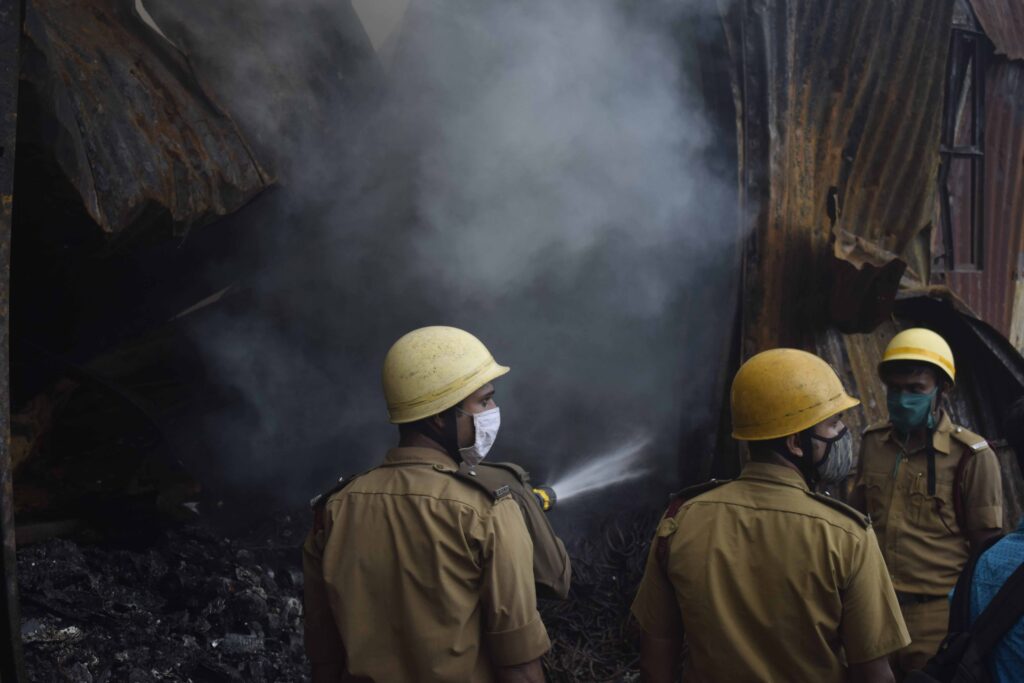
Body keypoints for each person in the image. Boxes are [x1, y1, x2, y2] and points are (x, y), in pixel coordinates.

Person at [632, 348, 909, 683]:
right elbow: (873, 674)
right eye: (833, 423)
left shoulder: (681, 522)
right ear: (795, 442)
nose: (841, 433)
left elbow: (655, 661)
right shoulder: (846, 536)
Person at [302, 326, 550, 683]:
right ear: (439, 416)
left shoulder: (334, 511)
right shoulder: (487, 511)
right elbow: (520, 666)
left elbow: (323, 660)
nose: (493, 410)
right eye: (483, 401)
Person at [850, 328, 1004, 677]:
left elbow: (986, 550)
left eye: (915, 390)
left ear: (942, 390)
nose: (903, 399)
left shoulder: (972, 457)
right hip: (873, 613)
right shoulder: (873, 443)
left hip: (937, 618)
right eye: (896, 389)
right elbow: (857, 523)